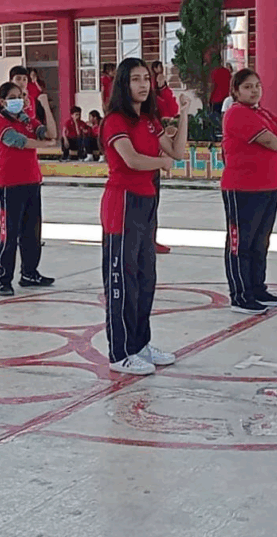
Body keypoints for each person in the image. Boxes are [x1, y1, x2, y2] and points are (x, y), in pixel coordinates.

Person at [101, 58, 191, 375]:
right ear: (123, 85)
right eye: (135, 79)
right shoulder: (115, 121)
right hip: (122, 202)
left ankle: (140, 345)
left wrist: (183, 114)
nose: (143, 85)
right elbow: (132, 160)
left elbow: (177, 152)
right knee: (122, 280)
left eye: (146, 79)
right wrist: (161, 163)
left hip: (146, 203)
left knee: (144, 279)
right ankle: (119, 352)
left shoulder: (150, 120)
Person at [220, 68, 277, 315]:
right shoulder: (236, 113)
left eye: (257, 86)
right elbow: (268, 139)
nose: (254, 91)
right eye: (247, 87)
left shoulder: (260, 112)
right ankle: (240, 295)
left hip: (268, 187)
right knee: (241, 244)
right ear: (236, 91)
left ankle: (257, 289)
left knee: (260, 242)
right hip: (242, 188)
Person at [0, 80, 57, 297]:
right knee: (8, 234)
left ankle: (29, 273)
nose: (17, 101)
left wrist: (44, 105)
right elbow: (20, 142)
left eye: (20, 97)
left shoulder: (27, 120)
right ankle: (4, 279)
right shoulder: (0, 123)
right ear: (3, 102)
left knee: (32, 233)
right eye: (12, 98)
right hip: (10, 185)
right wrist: (46, 145)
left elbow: (50, 133)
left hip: (31, 182)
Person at [150, 61, 181, 255]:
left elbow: (172, 111)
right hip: (139, 165)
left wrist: (163, 87)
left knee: (152, 204)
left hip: (154, 160)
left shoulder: (157, 99)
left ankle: (150, 240)